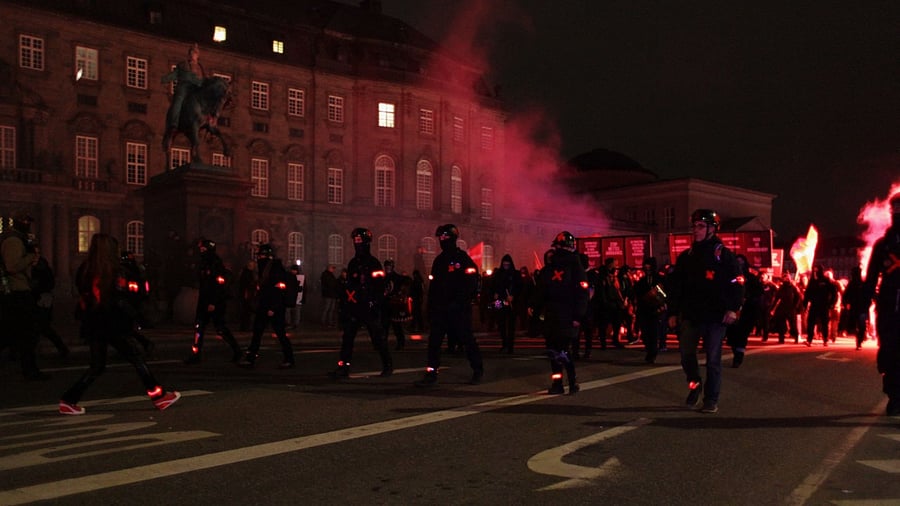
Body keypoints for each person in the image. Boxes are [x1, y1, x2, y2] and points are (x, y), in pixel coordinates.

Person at [59, 234, 180, 415]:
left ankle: (69, 400)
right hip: (112, 322)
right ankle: (159, 396)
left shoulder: (85, 268)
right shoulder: (115, 270)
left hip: (93, 322)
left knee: (97, 365)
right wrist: (138, 317)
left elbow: (83, 293)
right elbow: (121, 299)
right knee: (136, 358)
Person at [667, 209, 743, 414]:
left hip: (716, 316)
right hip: (692, 315)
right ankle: (694, 383)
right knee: (686, 355)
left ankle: (711, 399)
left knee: (713, 360)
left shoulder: (723, 255)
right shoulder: (686, 256)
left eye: (700, 226)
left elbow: (737, 282)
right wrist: (672, 312)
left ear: (712, 229)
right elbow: (676, 287)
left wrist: (733, 309)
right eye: (694, 226)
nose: (696, 230)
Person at [415, 224, 484, 387]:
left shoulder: (462, 258)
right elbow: (434, 287)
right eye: (440, 238)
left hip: (458, 309)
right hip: (441, 309)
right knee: (434, 342)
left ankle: (477, 370)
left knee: (467, 340)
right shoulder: (439, 260)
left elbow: (473, 282)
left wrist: (462, 301)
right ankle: (431, 373)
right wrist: (429, 308)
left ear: (452, 238)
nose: (442, 240)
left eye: (445, 237)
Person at [528, 231, 589, 394]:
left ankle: (567, 382)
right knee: (557, 351)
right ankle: (562, 383)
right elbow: (541, 291)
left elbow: (582, 293)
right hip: (559, 315)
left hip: (561, 315)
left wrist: (577, 315)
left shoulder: (571, 266)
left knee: (559, 351)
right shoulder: (560, 267)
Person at [329, 228, 393, 379]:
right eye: (355, 240)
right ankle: (343, 367)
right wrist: (346, 304)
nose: (357, 243)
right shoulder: (353, 263)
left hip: (369, 307)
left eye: (359, 241)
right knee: (348, 337)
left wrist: (374, 302)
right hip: (355, 307)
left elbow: (379, 286)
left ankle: (387, 365)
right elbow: (350, 286)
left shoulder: (373, 263)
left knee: (378, 338)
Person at [863, 193, 900, 417]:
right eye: (894, 209)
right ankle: (895, 396)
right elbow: (870, 279)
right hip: (889, 308)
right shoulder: (883, 244)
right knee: (890, 353)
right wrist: (862, 309)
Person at [0, 210, 46, 380]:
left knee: (18, 332)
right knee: (24, 332)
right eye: (25, 221)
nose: (27, 224)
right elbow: (12, 266)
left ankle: (30, 369)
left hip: (18, 290)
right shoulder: (12, 240)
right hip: (15, 291)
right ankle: (30, 370)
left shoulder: (19, 239)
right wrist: (29, 257)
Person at [184, 238, 243, 364]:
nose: (201, 251)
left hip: (214, 301)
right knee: (199, 328)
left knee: (220, 328)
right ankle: (196, 354)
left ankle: (237, 350)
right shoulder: (203, 263)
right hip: (205, 300)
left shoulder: (215, 263)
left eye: (203, 249)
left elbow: (218, 285)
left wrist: (213, 303)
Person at [238, 244, 295, 369]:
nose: (259, 258)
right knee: (257, 332)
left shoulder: (275, 269)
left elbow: (278, 290)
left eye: (261, 255)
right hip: (265, 305)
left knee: (279, 333)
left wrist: (272, 308)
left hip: (273, 307)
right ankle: (251, 357)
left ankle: (289, 358)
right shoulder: (265, 269)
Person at [30, 244, 70, 358]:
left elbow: (49, 283)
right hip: (35, 300)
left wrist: (37, 288)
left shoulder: (42, 266)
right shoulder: (32, 265)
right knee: (37, 328)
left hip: (42, 301)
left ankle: (61, 348)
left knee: (42, 327)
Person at [161, 43, 206, 137]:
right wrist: (164, 79)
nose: (193, 55)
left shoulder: (200, 67)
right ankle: (173, 123)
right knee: (178, 102)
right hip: (184, 88)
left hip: (196, 89)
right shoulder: (183, 65)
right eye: (191, 53)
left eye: (195, 53)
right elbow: (176, 74)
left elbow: (203, 79)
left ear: (197, 55)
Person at [726, 254, 763, 367]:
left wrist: (750, 298)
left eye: (741, 261)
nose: (739, 264)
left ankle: (739, 356)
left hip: (748, 310)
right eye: (737, 261)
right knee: (731, 334)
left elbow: (759, 292)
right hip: (732, 309)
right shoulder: (730, 277)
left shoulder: (751, 278)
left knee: (742, 333)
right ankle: (736, 351)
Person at [634, 256, 667, 364]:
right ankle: (649, 350)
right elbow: (637, 293)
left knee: (653, 332)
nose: (647, 267)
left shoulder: (659, 278)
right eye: (646, 265)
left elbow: (664, 293)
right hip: (644, 309)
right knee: (645, 333)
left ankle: (652, 353)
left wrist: (660, 301)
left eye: (649, 265)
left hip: (655, 309)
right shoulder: (642, 280)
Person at [491, 254, 522, 353]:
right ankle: (504, 343)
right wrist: (494, 294)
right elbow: (493, 286)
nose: (506, 266)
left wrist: (513, 296)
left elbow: (520, 288)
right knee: (501, 323)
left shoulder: (515, 274)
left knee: (511, 324)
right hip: (500, 301)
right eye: (504, 265)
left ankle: (510, 346)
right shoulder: (498, 274)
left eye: (507, 265)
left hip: (511, 301)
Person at [802, 265, 838, 347]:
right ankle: (809, 339)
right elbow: (807, 293)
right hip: (814, 304)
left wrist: (832, 303)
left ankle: (825, 340)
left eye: (816, 271)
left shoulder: (826, 281)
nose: (815, 273)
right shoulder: (812, 281)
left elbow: (834, 293)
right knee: (810, 322)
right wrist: (805, 304)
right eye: (814, 271)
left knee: (824, 323)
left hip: (824, 305)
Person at [382, 259, 411, 350]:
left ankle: (401, 343)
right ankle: (383, 344)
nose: (387, 268)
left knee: (396, 326)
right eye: (386, 267)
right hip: (385, 304)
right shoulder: (383, 278)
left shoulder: (397, 277)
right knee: (384, 326)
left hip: (394, 304)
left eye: (389, 266)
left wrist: (402, 292)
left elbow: (408, 281)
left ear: (392, 267)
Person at [842, 266, 869, 350]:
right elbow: (845, 295)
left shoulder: (862, 284)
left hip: (861, 308)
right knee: (856, 325)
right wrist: (846, 303)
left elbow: (868, 295)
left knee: (861, 325)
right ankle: (859, 339)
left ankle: (859, 341)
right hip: (856, 307)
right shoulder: (853, 284)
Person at [771, 271, 802, 343]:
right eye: (785, 278)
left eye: (787, 278)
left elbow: (798, 297)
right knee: (781, 323)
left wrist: (795, 306)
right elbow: (776, 298)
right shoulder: (781, 288)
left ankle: (796, 337)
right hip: (782, 307)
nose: (786, 279)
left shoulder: (793, 287)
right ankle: (781, 339)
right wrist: (772, 308)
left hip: (791, 308)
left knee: (793, 324)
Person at [237, 259, 257, 331]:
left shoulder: (247, 272)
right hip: (247, 293)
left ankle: (245, 326)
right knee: (246, 310)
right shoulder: (247, 273)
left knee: (246, 310)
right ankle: (245, 326)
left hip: (247, 293)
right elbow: (246, 283)